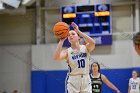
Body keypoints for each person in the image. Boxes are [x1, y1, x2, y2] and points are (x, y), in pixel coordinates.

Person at [53, 22, 95, 93]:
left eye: (73, 34)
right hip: (73, 80)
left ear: (78, 37)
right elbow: (56, 57)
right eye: (68, 35)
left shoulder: (85, 48)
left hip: (86, 78)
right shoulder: (67, 51)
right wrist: (61, 41)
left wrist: (79, 31)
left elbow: (92, 43)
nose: (70, 36)